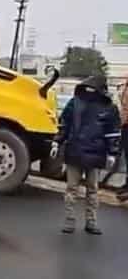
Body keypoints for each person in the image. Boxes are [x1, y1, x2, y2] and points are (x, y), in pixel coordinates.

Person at [51, 75, 122, 234]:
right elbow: (65, 125)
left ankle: (79, 221)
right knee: (87, 189)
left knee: (77, 189)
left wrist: (57, 141)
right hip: (88, 153)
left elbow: (112, 132)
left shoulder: (79, 103)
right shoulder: (106, 106)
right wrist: (57, 141)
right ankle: (85, 221)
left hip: (78, 152)